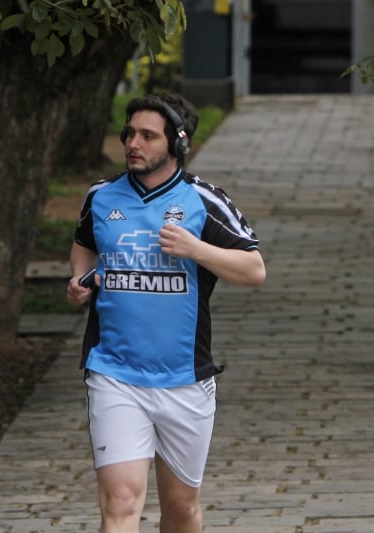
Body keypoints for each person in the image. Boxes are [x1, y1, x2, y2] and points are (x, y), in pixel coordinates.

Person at [66, 92, 266, 532]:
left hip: (184, 378)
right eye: (129, 133)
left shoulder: (204, 201)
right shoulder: (101, 197)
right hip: (114, 372)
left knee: (179, 509)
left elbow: (254, 270)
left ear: (177, 143)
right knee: (120, 504)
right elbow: (83, 244)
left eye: (147, 136)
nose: (132, 143)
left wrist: (196, 249)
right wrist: (80, 280)